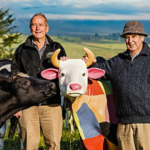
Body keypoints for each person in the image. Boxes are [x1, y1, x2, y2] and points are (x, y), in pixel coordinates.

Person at [83, 20, 150, 150]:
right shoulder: (117, 61)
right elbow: (99, 70)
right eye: (127, 37)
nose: (130, 41)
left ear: (142, 37)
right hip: (123, 124)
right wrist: (90, 62)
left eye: (134, 36)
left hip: (147, 124)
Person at [11, 13, 67, 150]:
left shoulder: (56, 48)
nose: (37, 28)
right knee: (30, 145)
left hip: (51, 103)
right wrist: (16, 106)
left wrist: (65, 63)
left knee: (53, 144)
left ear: (46, 28)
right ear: (30, 28)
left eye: (41, 25)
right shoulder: (21, 50)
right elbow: (13, 77)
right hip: (27, 105)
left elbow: (65, 74)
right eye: (34, 25)